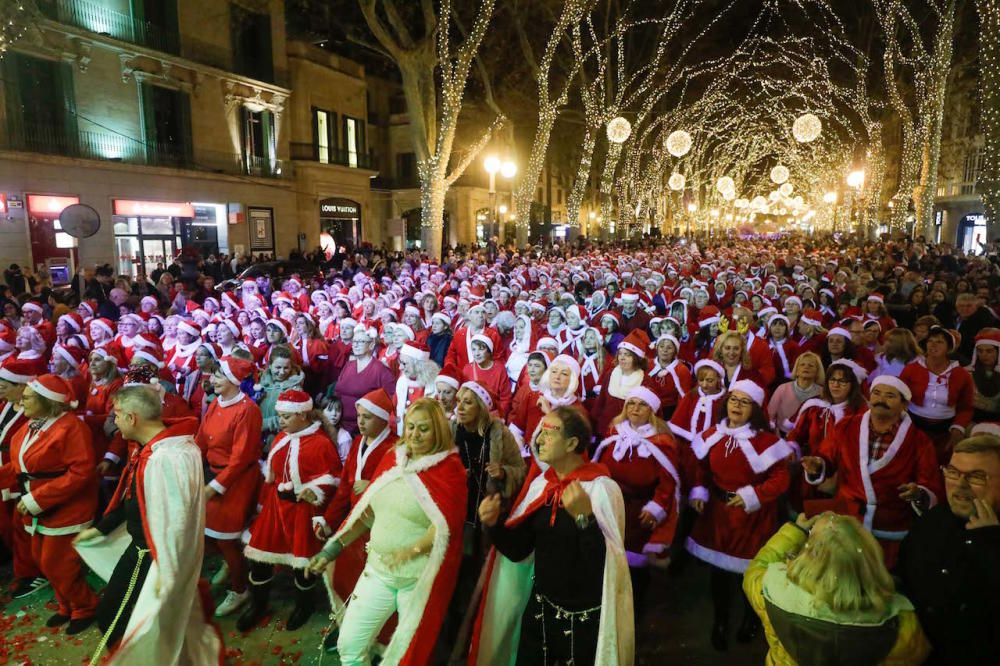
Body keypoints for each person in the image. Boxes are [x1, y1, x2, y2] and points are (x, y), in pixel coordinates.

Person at [308, 398, 467, 665]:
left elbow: (444, 527)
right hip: (378, 571)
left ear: (439, 430)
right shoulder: (393, 458)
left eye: (424, 429)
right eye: (411, 427)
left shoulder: (449, 471)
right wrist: (333, 548)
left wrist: (410, 551)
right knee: (350, 645)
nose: (414, 435)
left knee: (405, 656)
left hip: (417, 581)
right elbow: (368, 514)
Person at [472, 406, 633, 665]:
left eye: (550, 432)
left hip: (584, 622)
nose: (539, 439)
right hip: (540, 612)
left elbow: (604, 570)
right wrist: (495, 524)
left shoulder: (602, 489)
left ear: (571, 443)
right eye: (540, 431)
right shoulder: (541, 487)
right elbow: (520, 550)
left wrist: (584, 519)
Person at [73, 386, 223, 663]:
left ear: (132, 418)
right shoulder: (157, 449)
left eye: (116, 415)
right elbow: (134, 494)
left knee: (114, 617)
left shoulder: (166, 458)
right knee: (145, 619)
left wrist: (168, 569)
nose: (113, 422)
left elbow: (178, 519)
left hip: (151, 556)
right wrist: (102, 528)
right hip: (149, 550)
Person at [744, 512, 930, 665]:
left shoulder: (772, 593)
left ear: (809, 555)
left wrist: (797, 530)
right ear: (867, 557)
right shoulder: (901, 625)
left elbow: (755, 569)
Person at [687, 379, 792, 650]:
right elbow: (701, 468)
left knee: (749, 573)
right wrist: (699, 490)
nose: (736, 405)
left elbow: (780, 479)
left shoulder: (767, 442)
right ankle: (720, 620)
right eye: (733, 399)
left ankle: (751, 618)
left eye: (744, 402)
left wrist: (752, 496)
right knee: (719, 574)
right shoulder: (713, 434)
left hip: (752, 517)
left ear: (755, 409)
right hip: (718, 515)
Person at [802, 375, 943, 569]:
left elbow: (931, 485)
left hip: (888, 528)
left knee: (877, 581)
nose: (881, 400)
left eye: (890, 396)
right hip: (846, 519)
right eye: (876, 393)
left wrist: (918, 493)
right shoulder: (846, 426)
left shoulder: (919, 441)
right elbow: (826, 458)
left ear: (904, 405)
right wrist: (817, 465)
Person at [0, 375, 98, 634]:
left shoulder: (71, 428)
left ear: (46, 400)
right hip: (38, 509)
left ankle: (85, 606)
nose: (21, 400)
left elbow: (81, 472)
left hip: (65, 508)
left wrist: (37, 499)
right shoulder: (30, 425)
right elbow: (19, 466)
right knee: (43, 561)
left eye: (28, 397)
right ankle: (67, 606)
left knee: (59, 564)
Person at [240, 390, 342, 631]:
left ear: (303, 415)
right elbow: (271, 478)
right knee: (260, 557)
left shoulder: (321, 444)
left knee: (302, 564)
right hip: (276, 508)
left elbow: (333, 478)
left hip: (303, 512)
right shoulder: (280, 439)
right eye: (279, 416)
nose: (281, 421)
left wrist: (314, 491)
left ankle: (303, 606)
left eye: (286, 416)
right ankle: (258, 604)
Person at [898, 434, 1000, 664]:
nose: (960, 486)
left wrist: (990, 545)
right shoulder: (932, 522)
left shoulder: (993, 542)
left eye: (977, 477)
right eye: (953, 472)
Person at [446, 382, 525, 657]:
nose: (460, 407)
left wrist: (503, 473)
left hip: (485, 514)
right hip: (457, 512)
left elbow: (520, 469)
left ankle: (475, 626)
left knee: (479, 569)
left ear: (480, 407)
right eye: (459, 401)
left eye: (468, 402)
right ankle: (453, 623)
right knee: (456, 569)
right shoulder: (452, 430)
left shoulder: (499, 433)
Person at [592, 386, 681, 611]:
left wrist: (657, 507)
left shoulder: (661, 441)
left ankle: (634, 607)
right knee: (607, 555)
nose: (635, 408)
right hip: (611, 505)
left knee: (634, 563)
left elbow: (668, 480)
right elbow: (600, 465)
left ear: (651, 411)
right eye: (631, 403)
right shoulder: (615, 432)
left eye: (642, 405)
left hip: (638, 510)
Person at [196, 356, 263, 617]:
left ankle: (240, 588)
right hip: (215, 475)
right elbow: (201, 440)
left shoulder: (247, 410)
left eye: (218, 376)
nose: (211, 380)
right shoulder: (216, 404)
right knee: (211, 536)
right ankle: (232, 565)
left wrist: (215, 487)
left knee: (225, 539)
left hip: (237, 481)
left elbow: (241, 458)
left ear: (234, 381)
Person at [899, 325, 974, 463]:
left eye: (939, 341)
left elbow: (966, 407)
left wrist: (958, 428)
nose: (933, 345)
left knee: (938, 463)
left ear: (949, 348)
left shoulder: (961, 375)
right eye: (930, 341)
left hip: (944, 430)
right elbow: (899, 397)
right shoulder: (911, 369)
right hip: (913, 425)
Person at [334, 326, 396, 434]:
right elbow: (337, 392)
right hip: (339, 423)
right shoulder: (348, 365)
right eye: (354, 341)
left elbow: (391, 400)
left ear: (371, 345)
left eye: (361, 341)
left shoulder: (381, 370)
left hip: (364, 428)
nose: (356, 345)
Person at [767, 352, 823, 437]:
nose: (806, 367)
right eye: (802, 364)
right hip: (782, 435)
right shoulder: (782, 388)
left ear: (817, 372)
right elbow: (770, 415)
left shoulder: (822, 392)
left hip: (809, 437)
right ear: (796, 370)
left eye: (811, 365)